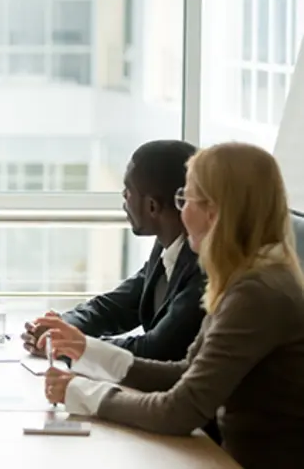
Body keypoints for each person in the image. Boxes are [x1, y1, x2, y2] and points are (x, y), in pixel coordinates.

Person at [39, 142, 304, 469]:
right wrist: (87, 351)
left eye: (185, 199)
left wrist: (80, 393)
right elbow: (184, 372)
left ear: (214, 211)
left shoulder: (256, 293)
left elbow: (179, 411)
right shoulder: (250, 276)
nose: (181, 212)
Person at [22, 140, 205, 362]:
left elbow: (157, 349)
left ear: (152, 206)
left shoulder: (204, 266)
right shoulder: (166, 247)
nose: (124, 198)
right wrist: (61, 327)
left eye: (128, 191)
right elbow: (115, 307)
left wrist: (72, 347)